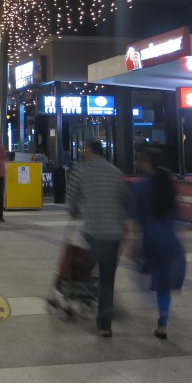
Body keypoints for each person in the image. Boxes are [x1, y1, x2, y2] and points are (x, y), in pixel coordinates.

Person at [65, 140, 128, 338]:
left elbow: (71, 198)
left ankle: (84, 299)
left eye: (85, 150)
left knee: (86, 270)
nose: (84, 154)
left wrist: (74, 211)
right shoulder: (117, 173)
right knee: (108, 280)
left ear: (91, 151)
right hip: (115, 234)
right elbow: (124, 202)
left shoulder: (81, 171)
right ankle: (104, 324)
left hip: (92, 232)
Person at [128, 148, 186, 339]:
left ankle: (155, 309)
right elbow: (178, 216)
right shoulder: (170, 185)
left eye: (141, 159)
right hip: (170, 240)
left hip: (150, 239)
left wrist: (133, 243)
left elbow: (137, 219)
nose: (139, 163)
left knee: (140, 277)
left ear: (148, 163)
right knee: (163, 285)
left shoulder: (141, 187)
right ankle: (163, 322)